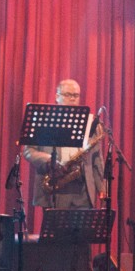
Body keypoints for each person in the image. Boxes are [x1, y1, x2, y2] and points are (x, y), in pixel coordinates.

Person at [22, 79, 105, 210]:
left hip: (83, 190)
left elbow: (96, 159)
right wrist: (49, 159)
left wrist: (102, 188)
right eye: (67, 95)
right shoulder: (44, 120)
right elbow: (28, 151)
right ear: (57, 96)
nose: (72, 99)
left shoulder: (89, 122)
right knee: (56, 230)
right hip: (56, 187)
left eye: (75, 95)